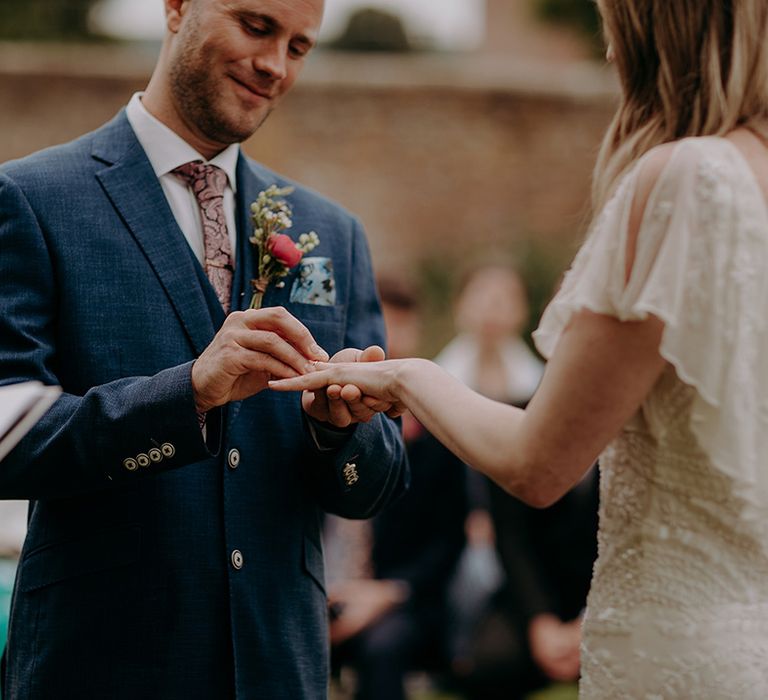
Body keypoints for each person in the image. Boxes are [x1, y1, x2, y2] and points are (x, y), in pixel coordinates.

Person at [272, 0, 768, 695]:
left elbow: (539, 464)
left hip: (680, 643)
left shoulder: (690, 179)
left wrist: (408, 377)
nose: (606, 48)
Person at [0, 0, 407, 698]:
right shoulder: (32, 199)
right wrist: (186, 393)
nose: (275, 66)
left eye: (299, 46)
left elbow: (374, 488)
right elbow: (8, 434)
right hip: (100, 666)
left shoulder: (331, 233)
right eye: (256, 26)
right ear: (177, 7)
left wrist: (338, 434)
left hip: (279, 667)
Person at [325, 277, 468, 700]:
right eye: (381, 323)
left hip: (401, 599)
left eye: (402, 324)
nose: (391, 337)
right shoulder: (323, 414)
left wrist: (385, 594)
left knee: (383, 647)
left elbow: (448, 541)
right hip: (323, 586)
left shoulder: (440, 434)